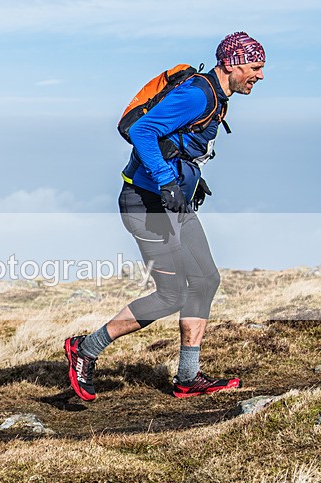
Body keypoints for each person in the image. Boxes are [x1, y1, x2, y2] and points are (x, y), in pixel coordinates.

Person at [64, 32, 266, 401]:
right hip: (146, 203)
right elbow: (142, 130)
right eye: (255, 68)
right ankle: (86, 349)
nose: (260, 76)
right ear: (232, 63)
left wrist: (190, 181)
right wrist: (166, 180)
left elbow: (179, 143)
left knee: (205, 280)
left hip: (173, 204)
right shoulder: (198, 94)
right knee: (172, 294)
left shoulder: (217, 98)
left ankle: (188, 377)